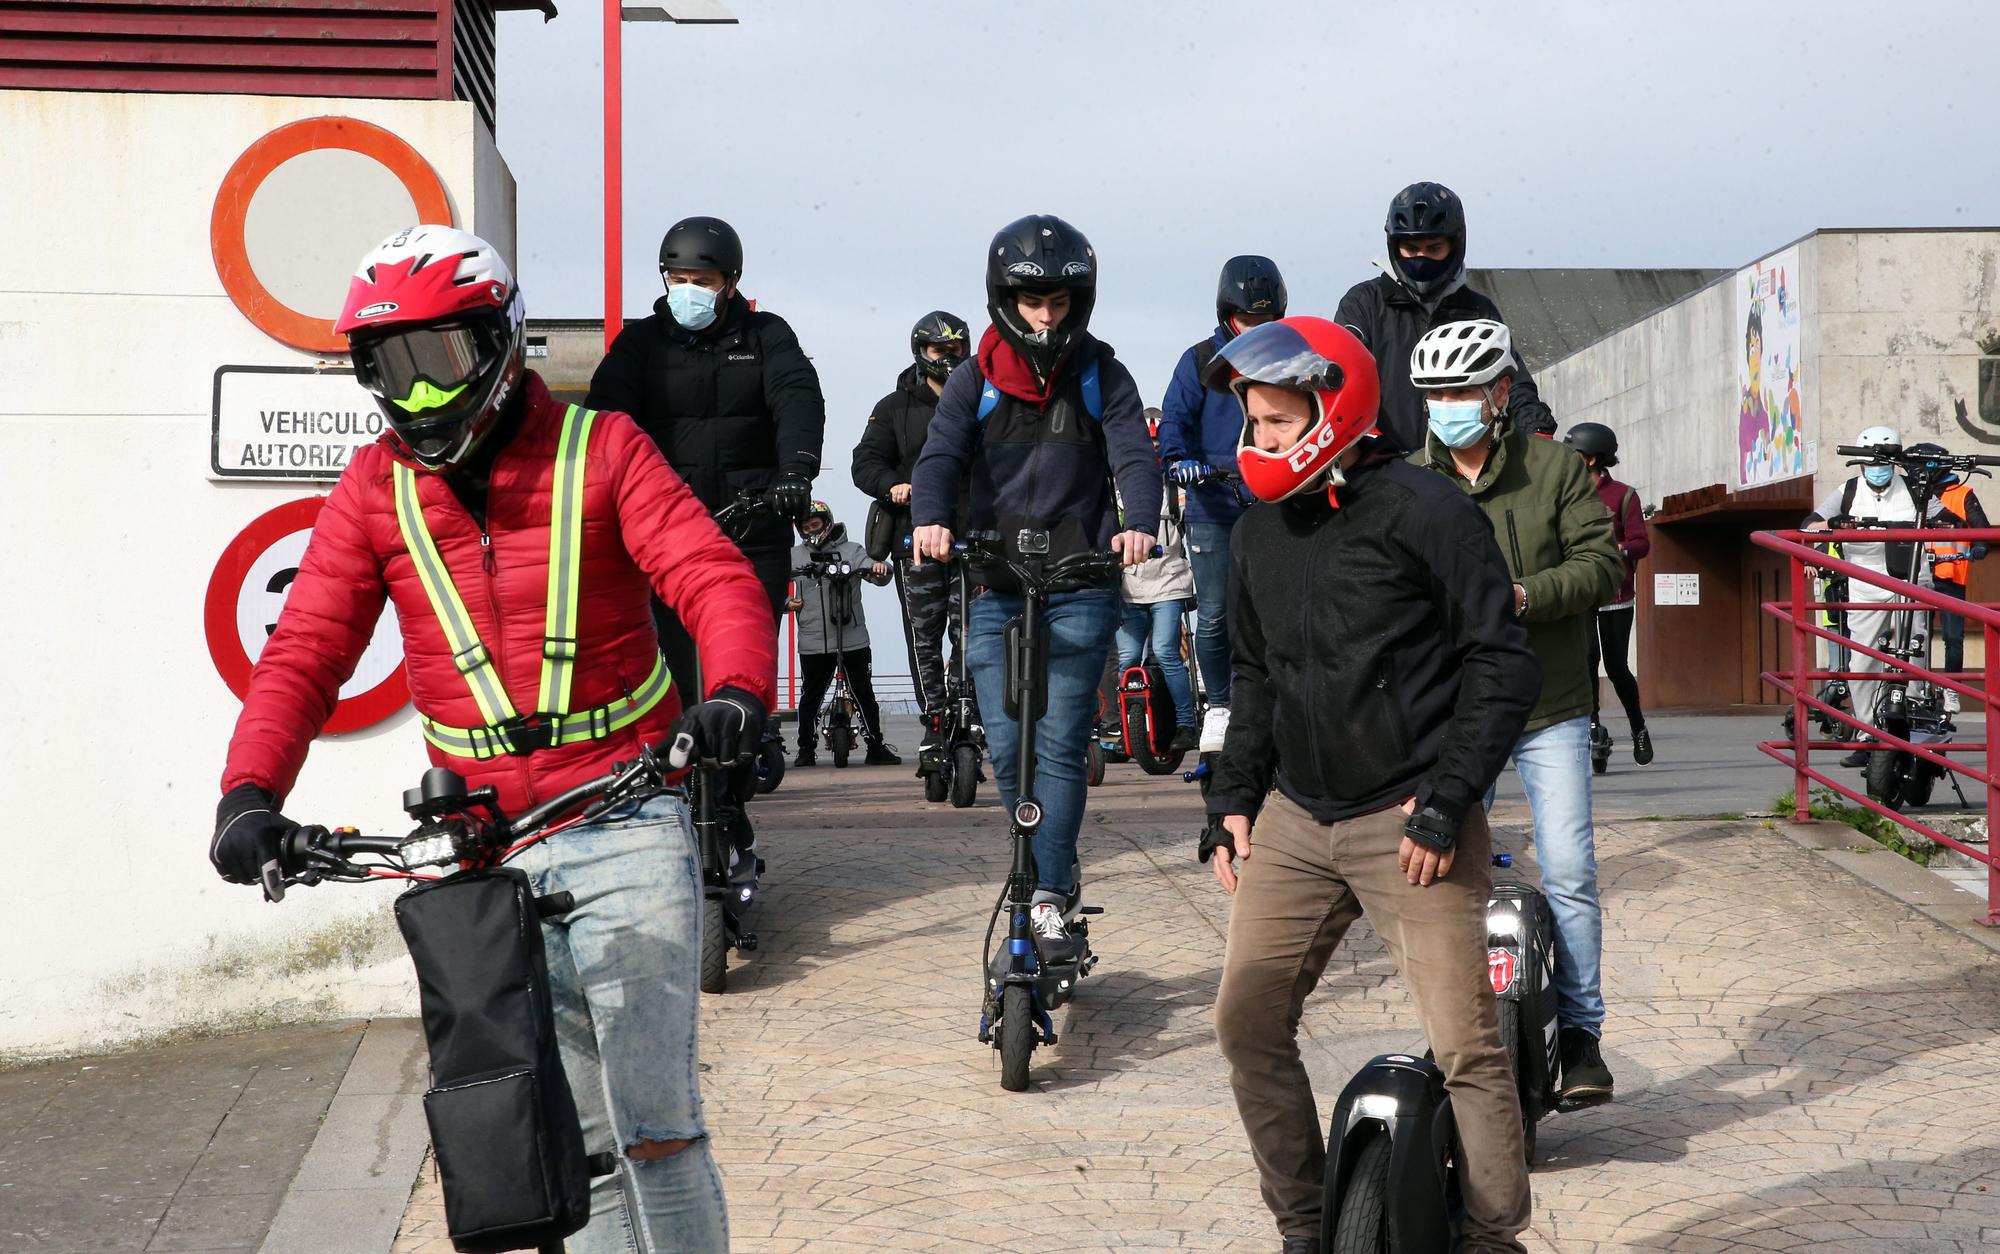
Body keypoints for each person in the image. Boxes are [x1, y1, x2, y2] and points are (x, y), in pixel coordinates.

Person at [210, 226, 777, 1251]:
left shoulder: (602, 449)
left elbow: (714, 576)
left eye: (442, 360)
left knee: (655, 1129)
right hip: (484, 847)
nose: (420, 396)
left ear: (503, 343)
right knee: (575, 1142)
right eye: (389, 368)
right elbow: (305, 648)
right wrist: (248, 793)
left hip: (623, 809)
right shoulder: (373, 487)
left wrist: (735, 690)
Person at [1201, 315, 1539, 1254]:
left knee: (1468, 1045)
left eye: (1276, 422)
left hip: (1410, 820)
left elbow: (1498, 665)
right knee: (1244, 1021)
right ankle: (1308, 1226)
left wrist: (1443, 802)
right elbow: (1256, 678)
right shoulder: (1259, 534)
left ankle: (1494, 1238)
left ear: (1331, 410)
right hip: (1298, 819)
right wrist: (1231, 802)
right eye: (1252, 422)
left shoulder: (1427, 509)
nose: (1258, 440)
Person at [909, 214, 1160, 961]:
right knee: (1009, 741)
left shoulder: (1101, 375)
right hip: (994, 579)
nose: (1045, 317)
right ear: (1003, 299)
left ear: (1078, 301)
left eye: (1058, 302)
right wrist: (930, 519)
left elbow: (1133, 459)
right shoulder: (973, 379)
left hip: (1080, 579)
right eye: (1031, 303)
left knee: (1057, 744)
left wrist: (1136, 522)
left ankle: (1048, 896)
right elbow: (940, 457)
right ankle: (1041, 870)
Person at [1409, 318, 1624, 1104]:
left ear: (1501, 392)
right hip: (1453, 714)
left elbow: (1603, 563)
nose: (1448, 405)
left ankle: (1581, 1033)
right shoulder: (1408, 480)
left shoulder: (1556, 468)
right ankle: (1452, 1033)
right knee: (1438, 874)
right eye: (1434, 394)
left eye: (1463, 389)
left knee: (1568, 869)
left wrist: (1526, 596)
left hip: (1549, 704)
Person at [585, 214, 826, 692]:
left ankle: (748, 741)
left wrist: (796, 472)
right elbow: (605, 422)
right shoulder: (640, 345)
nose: (688, 290)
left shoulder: (766, 336)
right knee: (676, 672)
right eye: (679, 279)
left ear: (731, 284)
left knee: (743, 663)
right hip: (669, 532)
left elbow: (797, 397)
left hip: (754, 527)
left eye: (703, 281)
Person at [1159, 255, 1287, 752]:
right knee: (1213, 613)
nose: (1257, 329)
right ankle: (1219, 704)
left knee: (1279, 608)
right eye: (1248, 320)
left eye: (1266, 320)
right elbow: (1174, 422)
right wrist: (1179, 459)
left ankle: (1282, 697)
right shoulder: (1197, 362)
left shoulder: (1291, 359)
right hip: (1212, 505)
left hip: (1273, 500)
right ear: (1226, 313)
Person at [1335, 181, 1556, 453]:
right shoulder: (1364, 303)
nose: (1421, 258)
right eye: (1411, 248)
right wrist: (1369, 439)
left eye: (1434, 248)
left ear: (1455, 245)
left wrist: (1535, 429)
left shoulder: (1478, 311)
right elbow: (1341, 376)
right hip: (1382, 462)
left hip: (1464, 464)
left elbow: (1512, 381)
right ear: (1394, 246)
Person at [851, 311, 980, 760]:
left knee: (974, 633)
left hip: (975, 540)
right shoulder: (893, 407)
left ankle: (970, 711)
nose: (950, 358)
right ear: (922, 353)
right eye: (940, 351)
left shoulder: (988, 400)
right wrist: (892, 485)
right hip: (915, 542)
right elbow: (864, 462)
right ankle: (936, 719)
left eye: (957, 349)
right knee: (924, 635)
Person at [1804, 425, 1918, 765]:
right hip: (1863, 579)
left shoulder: (1914, 488)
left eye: (1886, 460)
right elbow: (1813, 521)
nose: (1879, 467)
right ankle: (1867, 730)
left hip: (1910, 576)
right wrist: (1819, 538)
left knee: (1915, 653)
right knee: (1861, 659)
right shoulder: (1848, 490)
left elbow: (1949, 520)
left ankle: (1913, 724)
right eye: (1872, 461)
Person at [1563, 422, 1655, 765]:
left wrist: (1615, 549)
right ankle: (1593, 727)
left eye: (1574, 454)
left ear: (1591, 459)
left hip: (1615, 595)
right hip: (1579, 594)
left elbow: (1641, 543)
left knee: (1616, 667)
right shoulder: (1564, 493)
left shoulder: (1623, 495)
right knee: (1586, 663)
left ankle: (1638, 727)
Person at [785, 501, 899, 767]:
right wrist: (785, 604)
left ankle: (875, 746)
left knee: (863, 692)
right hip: (813, 642)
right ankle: (805, 750)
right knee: (811, 696)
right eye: (806, 527)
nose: (811, 530)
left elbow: (879, 574)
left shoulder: (852, 550)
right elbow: (774, 581)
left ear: (827, 523)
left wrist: (880, 569)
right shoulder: (795, 556)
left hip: (853, 639)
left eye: (815, 524)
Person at [1116, 408, 1199, 754]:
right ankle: (1125, 728)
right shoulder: (1120, 483)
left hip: (1168, 581)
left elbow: (1192, 530)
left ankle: (1185, 722)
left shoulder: (1177, 484)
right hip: (1129, 584)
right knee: (1128, 658)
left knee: (1166, 650)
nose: (1151, 449)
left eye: (1156, 441)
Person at [1908, 441, 1990, 714]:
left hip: (1950, 574)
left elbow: (1983, 531)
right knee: (1916, 635)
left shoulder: (1963, 493)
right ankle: (1916, 687)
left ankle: (1951, 689)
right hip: (1918, 573)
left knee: (1953, 637)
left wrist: (1979, 548)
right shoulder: (1913, 493)